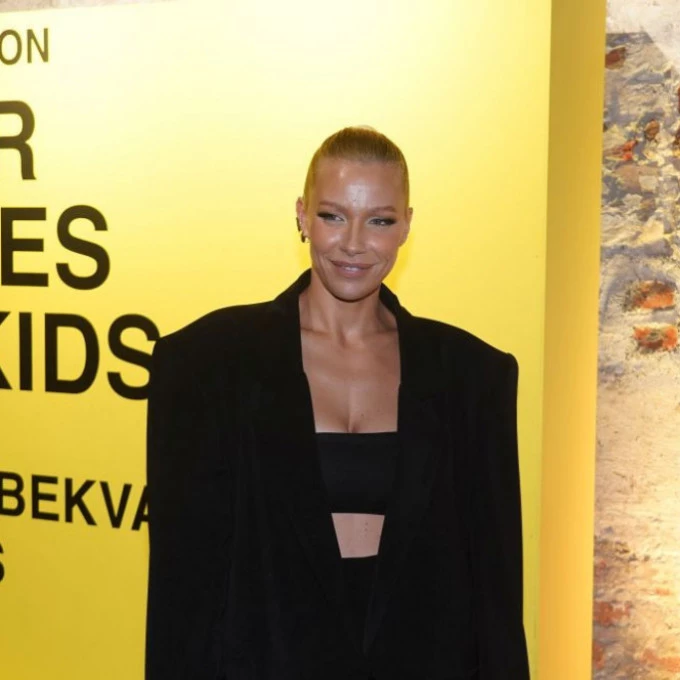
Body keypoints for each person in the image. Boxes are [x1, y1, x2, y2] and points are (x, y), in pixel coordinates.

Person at [145, 126, 530, 680]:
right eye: (332, 216)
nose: (353, 243)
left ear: (407, 226)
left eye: (379, 220)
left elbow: (495, 591)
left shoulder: (472, 376)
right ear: (302, 215)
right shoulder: (207, 364)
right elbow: (182, 588)